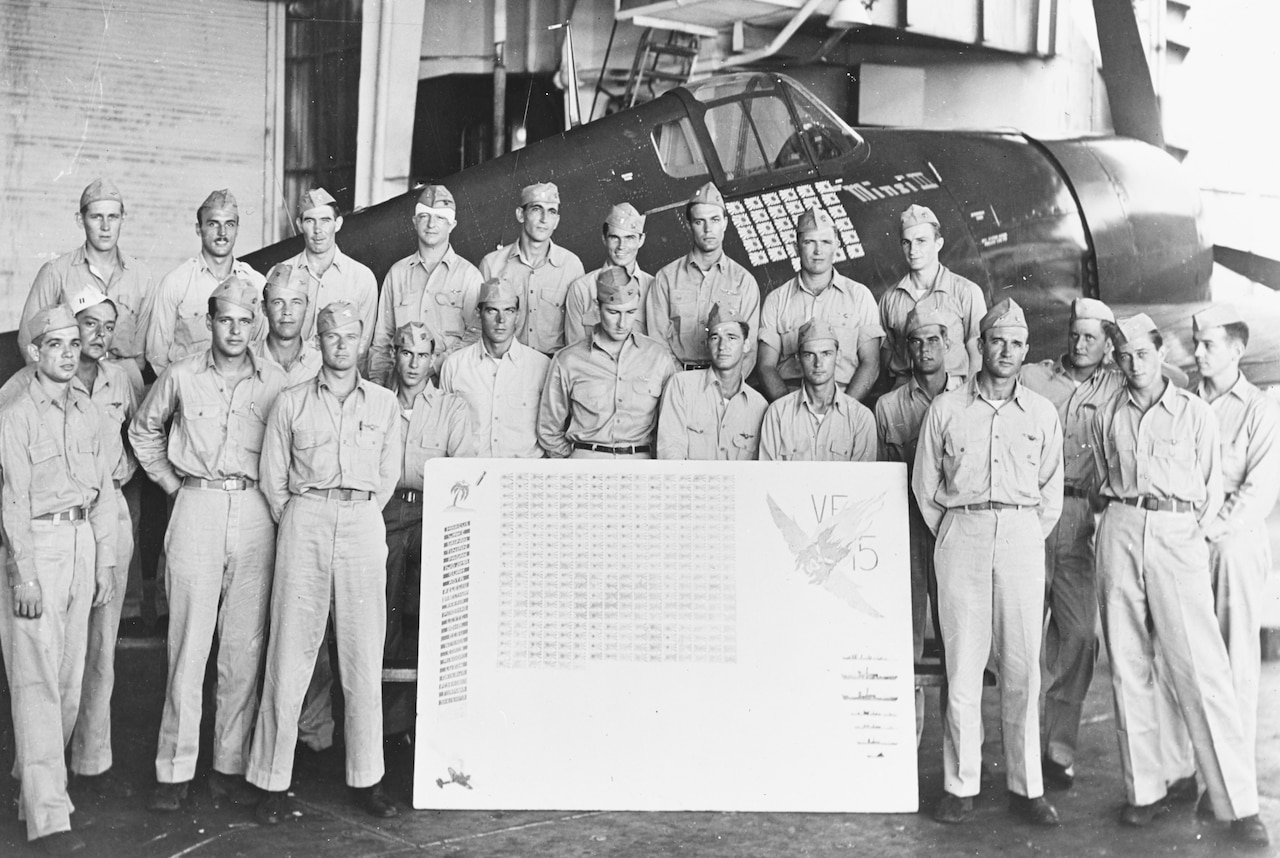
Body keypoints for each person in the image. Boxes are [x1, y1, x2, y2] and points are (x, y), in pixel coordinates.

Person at [1090, 313, 1268, 846]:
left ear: (1160, 352)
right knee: (1128, 665)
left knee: (1203, 669)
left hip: (1177, 532)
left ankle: (1236, 804)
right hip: (1120, 525)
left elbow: (1213, 489)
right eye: (1123, 355)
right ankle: (1145, 789)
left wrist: (1184, 535)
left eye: (1142, 354)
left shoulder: (1194, 413)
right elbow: (1105, 473)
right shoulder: (1107, 414)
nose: (1133, 364)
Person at [129, 277, 287, 812]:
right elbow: (143, 430)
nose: (236, 329)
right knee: (188, 644)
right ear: (210, 321)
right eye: (226, 319)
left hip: (254, 510)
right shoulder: (181, 375)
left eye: (246, 320)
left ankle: (228, 765)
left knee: (242, 648)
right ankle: (173, 769)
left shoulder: (277, 383)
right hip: (195, 503)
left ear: (256, 324)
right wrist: (174, 487)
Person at [247, 301, 402, 823]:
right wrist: (305, 517)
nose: (341, 344)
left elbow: (386, 477)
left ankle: (367, 779)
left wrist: (352, 513)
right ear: (319, 340)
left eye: (350, 335)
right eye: (331, 335)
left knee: (362, 655)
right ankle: (271, 780)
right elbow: (274, 480)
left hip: (361, 521)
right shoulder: (291, 402)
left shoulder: (382, 404)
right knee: (290, 652)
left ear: (362, 340)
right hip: (305, 521)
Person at [912, 297, 1063, 827]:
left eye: (1016, 343)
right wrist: (956, 532)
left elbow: (1051, 490)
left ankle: (1028, 788)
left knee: (1023, 666)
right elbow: (925, 485)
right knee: (964, 665)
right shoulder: (947, 410)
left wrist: (1021, 534)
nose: (1006, 351)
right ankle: (961, 784)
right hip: (963, 535)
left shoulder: (1042, 414)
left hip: (1022, 534)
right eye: (996, 340)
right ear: (979, 346)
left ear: (1026, 351)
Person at [0, 305, 118, 855]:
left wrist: (107, 562)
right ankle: (49, 816)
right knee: (36, 682)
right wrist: (22, 574)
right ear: (34, 352)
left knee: (69, 680)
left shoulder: (89, 411)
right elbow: (13, 501)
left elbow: (104, 491)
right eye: (58, 344)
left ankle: (34, 787)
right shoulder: (18, 412)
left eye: (76, 343)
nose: (70, 353)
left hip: (82, 545)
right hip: (38, 548)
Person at [1017, 297, 1125, 791]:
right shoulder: (1035, 377)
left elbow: (1173, 379)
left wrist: (1121, 350)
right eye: (1074, 334)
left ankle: (1058, 750)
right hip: (1030, 514)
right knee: (1017, 639)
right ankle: (1020, 752)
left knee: (1080, 635)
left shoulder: (1118, 381)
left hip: (1080, 517)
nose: (1078, 344)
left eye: (1091, 337)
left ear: (1107, 342)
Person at [1181, 304, 1280, 819]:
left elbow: (1258, 492)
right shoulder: (1183, 403)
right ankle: (1192, 777)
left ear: (1238, 350)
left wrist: (1207, 532)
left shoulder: (1259, 409)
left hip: (1231, 548)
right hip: (1185, 547)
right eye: (1195, 343)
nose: (1196, 353)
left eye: (1209, 345)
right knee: (1185, 664)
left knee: (1236, 668)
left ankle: (1234, 797)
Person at [874, 305, 963, 744]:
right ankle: (905, 746)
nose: (924, 349)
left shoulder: (968, 401)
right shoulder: (888, 406)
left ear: (947, 345)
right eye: (915, 341)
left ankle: (956, 749)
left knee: (955, 640)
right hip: (907, 529)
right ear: (904, 349)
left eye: (933, 340)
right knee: (904, 640)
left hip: (953, 529)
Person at [382, 322, 474, 733]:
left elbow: (461, 471)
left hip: (433, 513)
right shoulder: (377, 402)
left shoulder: (452, 406)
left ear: (434, 359)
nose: (414, 363)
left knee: (426, 614)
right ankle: (383, 727)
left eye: (423, 355)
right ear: (394, 354)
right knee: (383, 616)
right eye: (406, 352)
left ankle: (423, 727)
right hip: (385, 513)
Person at [19, 178, 153, 391]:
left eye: (113, 217)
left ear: (123, 220)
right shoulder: (56, 272)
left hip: (123, 383)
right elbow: (29, 340)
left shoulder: (141, 275)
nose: (106, 227)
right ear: (80, 220)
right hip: (71, 381)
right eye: (96, 217)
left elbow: (140, 352)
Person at [538, 267, 678, 460]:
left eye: (630, 312)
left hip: (639, 465)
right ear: (597, 307)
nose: (622, 323)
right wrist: (574, 462)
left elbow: (670, 428)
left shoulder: (658, 357)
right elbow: (549, 429)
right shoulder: (568, 359)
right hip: (585, 464)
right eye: (613, 312)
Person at [758, 208, 882, 402]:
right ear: (795, 247)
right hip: (791, 399)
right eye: (809, 242)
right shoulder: (776, 300)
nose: (818, 251)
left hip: (845, 398)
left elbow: (871, 363)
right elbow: (766, 366)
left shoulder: (859, 296)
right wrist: (788, 412)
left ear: (837, 246)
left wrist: (845, 411)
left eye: (825, 242)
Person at [368, 184, 482, 387]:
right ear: (414, 221)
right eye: (424, 216)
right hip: (399, 389)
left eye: (440, 217)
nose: (431, 224)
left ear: (452, 224)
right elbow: (382, 339)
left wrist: (436, 365)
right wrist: (378, 385)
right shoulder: (397, 273)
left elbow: (475, 336)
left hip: (449, 386)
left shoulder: (469, 276)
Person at [145, 189, 265, 373]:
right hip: (189, 394)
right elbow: (157, 355)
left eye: (230, 224)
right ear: (198, 229)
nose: (222, 232)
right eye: (213, 224)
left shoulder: (256, 283)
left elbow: (261, 349)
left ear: (237, 229)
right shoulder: (175, 283)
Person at [648, 182, 760, 373]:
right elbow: (657, 343)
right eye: (700, 222)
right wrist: (680, 384)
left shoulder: (744, 282)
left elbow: (748, 351)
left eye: (715, 220)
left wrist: (724, 390)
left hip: (724, 385)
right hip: (676, 380)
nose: (708, 230)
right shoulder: (665, 278)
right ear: (689, 225)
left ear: (725, 222)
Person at [440, 278, 551, 458]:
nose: (501, 320)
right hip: (471, 476)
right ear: (478, 313)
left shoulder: (541, 366)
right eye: (492, 311)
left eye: (509, 311)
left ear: (518, 315)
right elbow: (442, 429)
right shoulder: (454, 366)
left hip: (521, 477)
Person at [879, 204, 986, 386]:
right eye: (907, 242)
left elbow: (977, 352)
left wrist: (968, 402)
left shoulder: (965, 292)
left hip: (952, 392)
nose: (913, 250)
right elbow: (883, 357)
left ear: (938, 244)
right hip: (905, 394)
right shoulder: (890, 299)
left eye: (921, 241)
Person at [478, 182, 584, 355]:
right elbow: (478, 327)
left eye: (551, 212)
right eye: (536, 209)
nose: (544, 219)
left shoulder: (571, 266)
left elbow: (577, 335)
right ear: (521, 214)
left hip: (551, 370)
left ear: (556, 221)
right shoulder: (492, 264)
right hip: (504, 366)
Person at [657, 302, 767, 460]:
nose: (722, 346)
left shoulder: (759, 405)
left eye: (732, 337)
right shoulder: (681, 386)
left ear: (746, 345)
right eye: (715, 338)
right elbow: (670, 451)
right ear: (707, 345)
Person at [282, 188, 378, 370]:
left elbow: (362, 346)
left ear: (338, 223)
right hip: (290, 381)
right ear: (299, 224)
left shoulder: (362, 277)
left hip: (339, 383)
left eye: (325, 221)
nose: (318, 230)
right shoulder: (282, 274)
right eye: (310, 221)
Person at [758, 319, 876, 462]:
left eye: (826, 354)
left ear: (838, 356)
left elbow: (862, 481)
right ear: (798, 359)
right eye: (809, 354)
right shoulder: (777, 413)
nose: (818, 363)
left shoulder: (861, 417)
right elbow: (769, 478)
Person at [564, 203, 653, 347]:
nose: (621, 246)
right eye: (614, 238)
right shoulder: (581, 289)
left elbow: (657, 349)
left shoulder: (653, 288)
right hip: (592, 369)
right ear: (604, 238)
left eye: (629, 238)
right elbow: (575, 352)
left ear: (641, 240)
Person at [252, 263, 323, 385]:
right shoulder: (245, 359)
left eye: (296, 302)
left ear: (307, 308)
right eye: (278, 302)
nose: (287, 312)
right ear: (264, 308)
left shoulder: (321, 363)